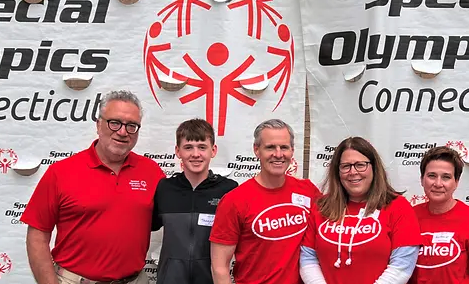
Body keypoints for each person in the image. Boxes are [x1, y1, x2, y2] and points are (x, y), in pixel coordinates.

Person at [21, 90, 165, 284]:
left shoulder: (152, 172)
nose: (122, 132)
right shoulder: (61, 172)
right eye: (114, 123)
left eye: (132, 126)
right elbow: (37, 236)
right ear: (98, 124)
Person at [209, 119, 321, 284]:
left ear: (292, 151)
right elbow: (220, 267)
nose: (278, 154)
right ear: (256, 150)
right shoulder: (234, 200)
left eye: (284, 147)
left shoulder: (308, 191)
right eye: (270, 147)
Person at [299, 136, 423, 284]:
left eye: (360, 165)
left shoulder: (398, 207)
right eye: (345, 166)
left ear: (374, 167)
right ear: (337, 172)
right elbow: (308, 258)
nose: (353, 172)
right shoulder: (321, 207)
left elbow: (402, 265)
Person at [152, 118, 238, 284]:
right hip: (170, 279)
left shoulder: (228, 189)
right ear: (178, 151)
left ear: (213, 150)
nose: (196, 154)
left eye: (202, 147)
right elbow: (146, 225)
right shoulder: (164, 188)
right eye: (188, 147)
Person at [409, 146, 469, 284]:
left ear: (456, 182)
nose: (438, 183)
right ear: (422, 179)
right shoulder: (408, 217)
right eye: (432, 176)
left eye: (446, 177)